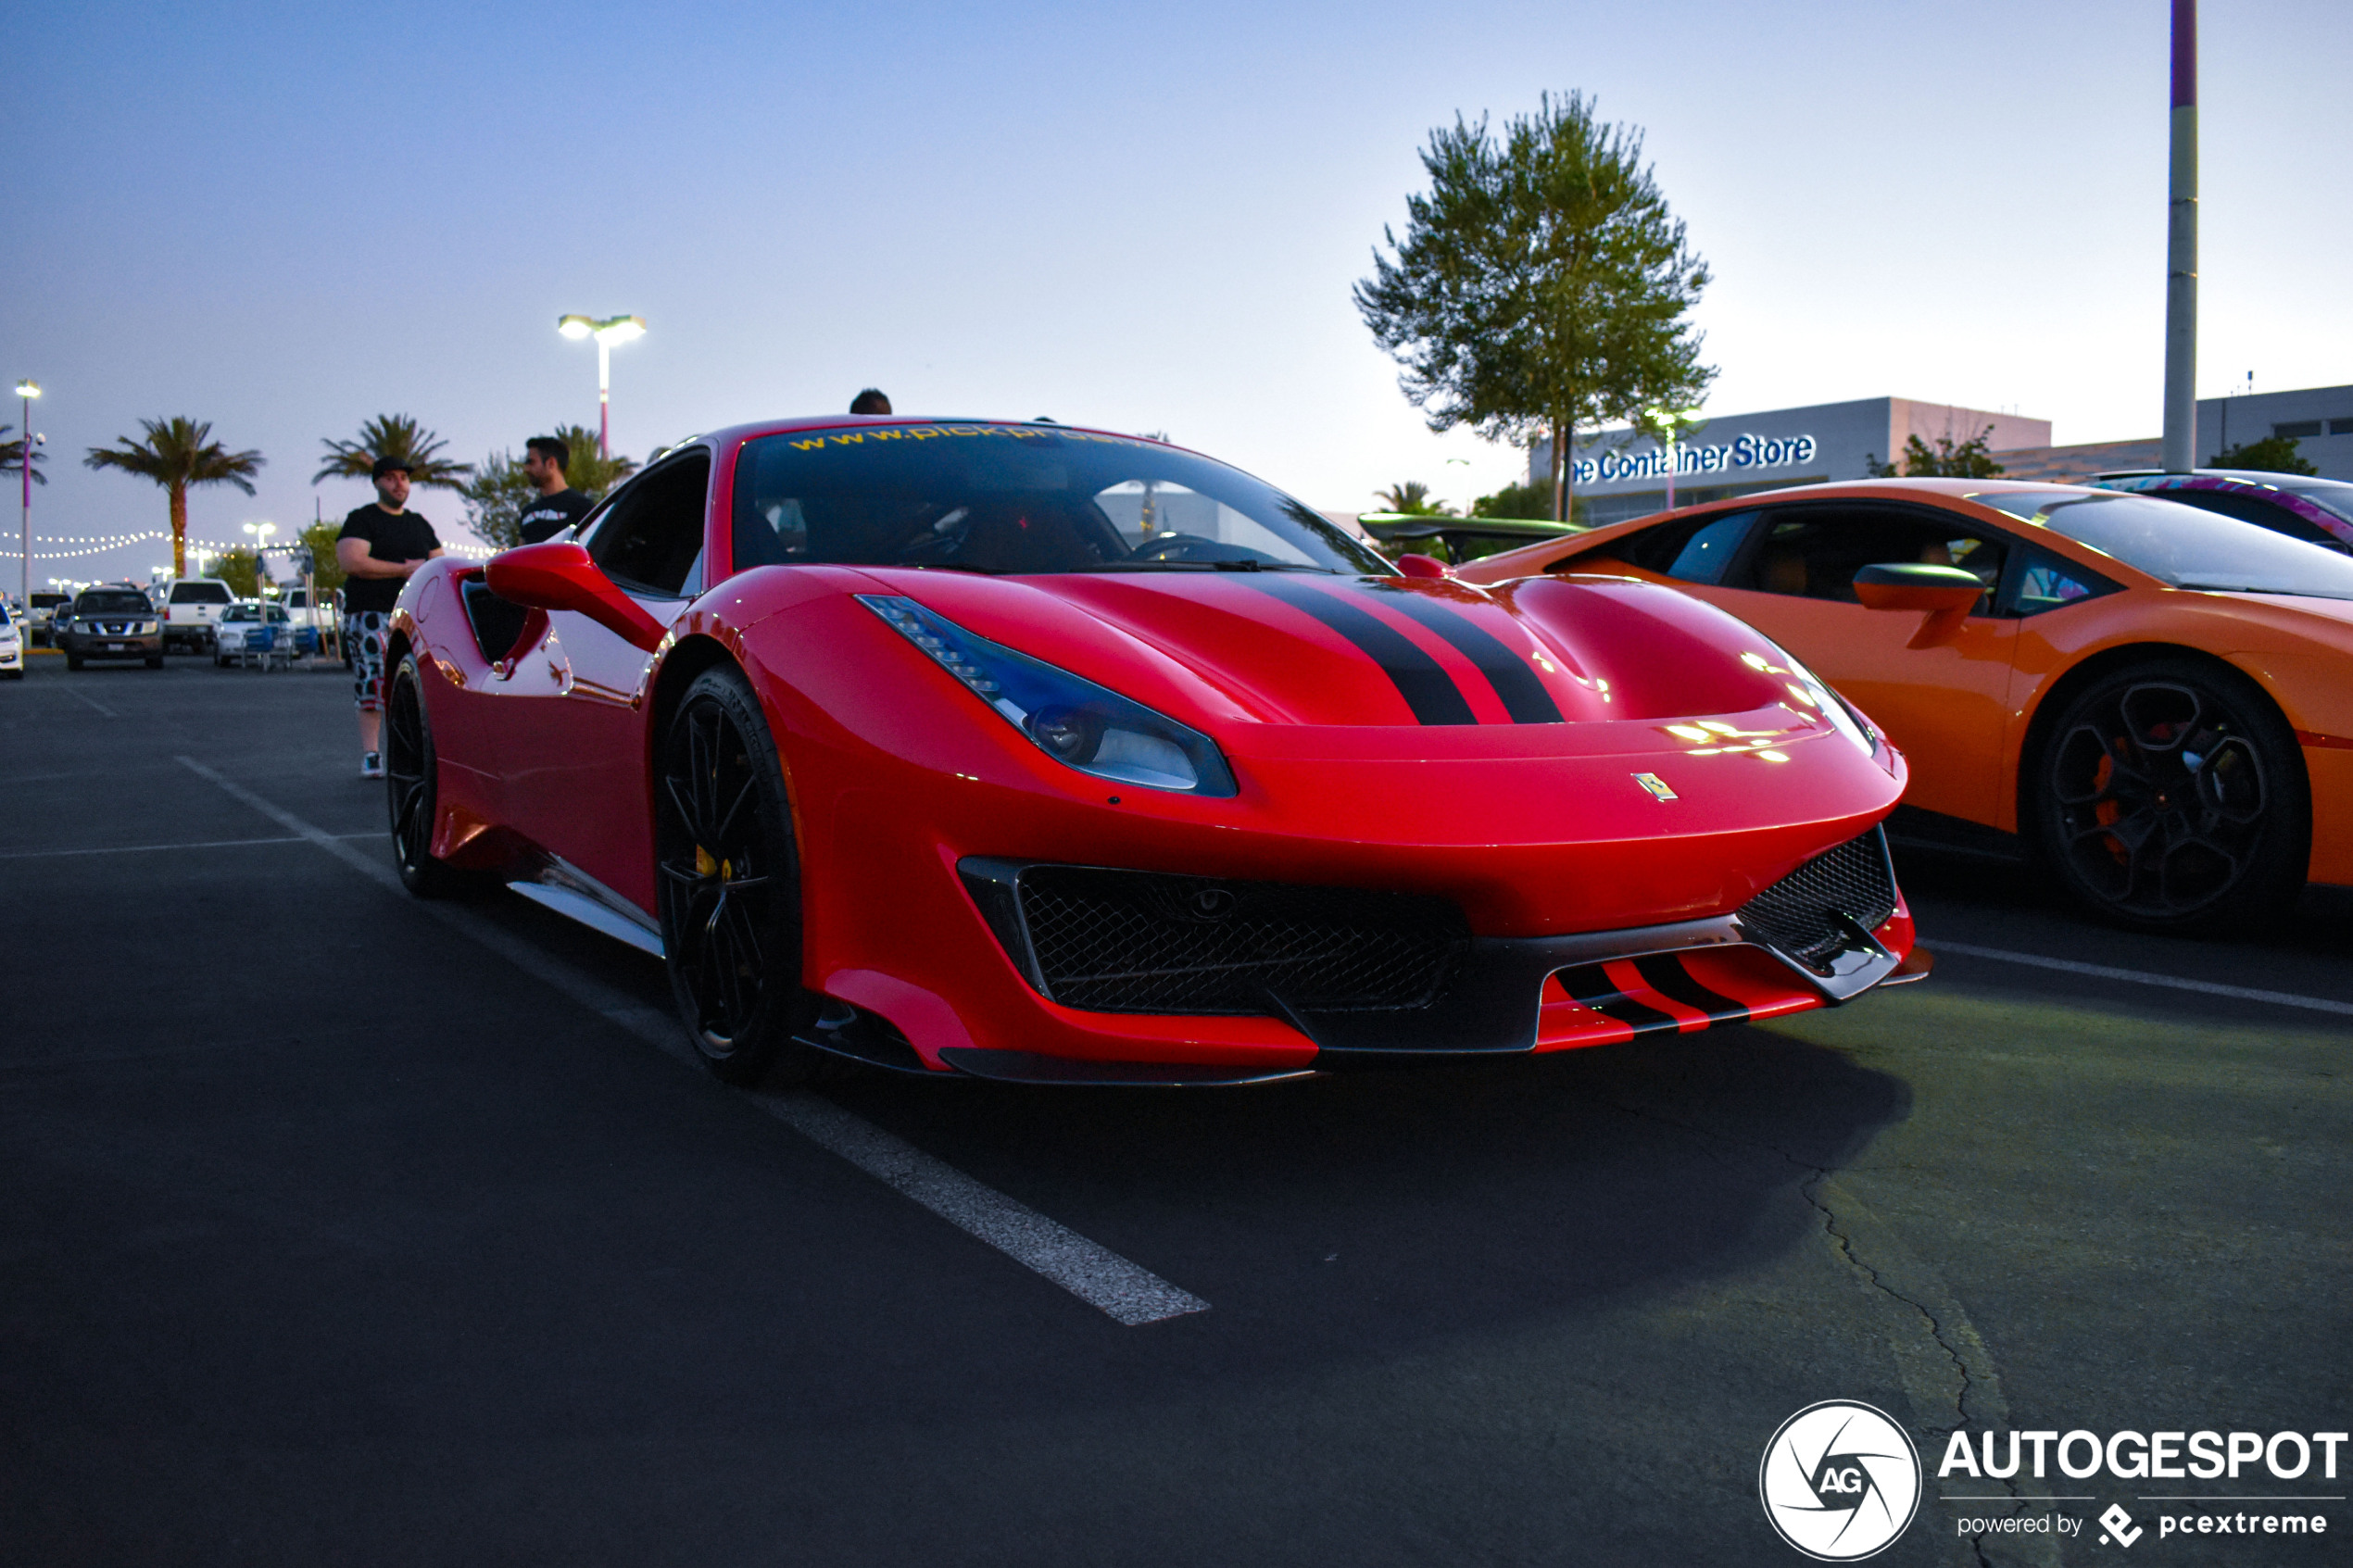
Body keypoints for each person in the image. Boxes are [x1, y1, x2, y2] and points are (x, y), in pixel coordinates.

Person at [337, 456, 444, 778]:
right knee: (373, 682)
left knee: (415, 684)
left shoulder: (419, 523)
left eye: (403, 478)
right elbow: (352, 561)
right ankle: (372, 753)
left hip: (412, 618)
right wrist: (403, 569)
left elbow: (437, 563)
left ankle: (412, 752)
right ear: (377, 483)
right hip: (370, 614)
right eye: (391, 478)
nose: (399, 484)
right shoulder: (362, 519)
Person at [516, 434, 595, 544]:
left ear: (551, 463)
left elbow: (591, 546)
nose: (526, 469)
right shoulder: (527, 512)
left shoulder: (582, 507)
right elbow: (520, 551)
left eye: (531, 462)